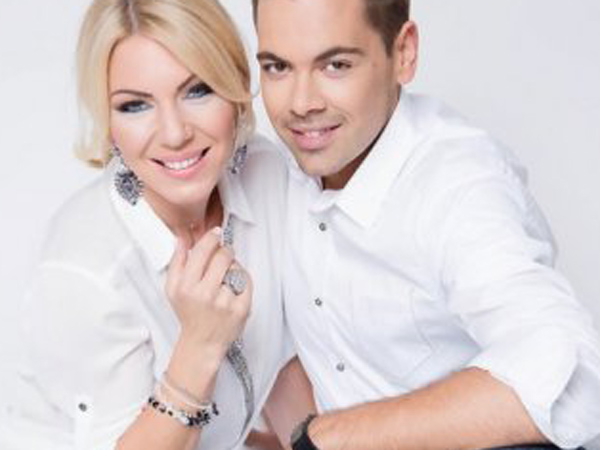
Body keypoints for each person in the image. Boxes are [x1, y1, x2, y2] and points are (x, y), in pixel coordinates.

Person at [251, 0, 600, 448]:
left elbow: (579, 381)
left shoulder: (459, 184)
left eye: (336, 65)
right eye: (278, 67)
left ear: (404, 53)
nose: (302, 104)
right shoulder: (272, 173)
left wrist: (335, 436)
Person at [13, 0, 314, 448]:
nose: (174, 134)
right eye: (135, 105)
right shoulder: (84, 271)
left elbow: (278, 366)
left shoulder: (265, 174)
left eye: (197, 91)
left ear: (235, 88)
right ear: (108, 123)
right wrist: (200, 346)